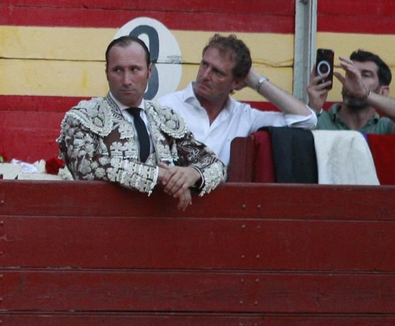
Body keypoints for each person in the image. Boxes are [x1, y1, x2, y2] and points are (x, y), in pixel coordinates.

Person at [58, 34, 227, 206]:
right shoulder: (83, 117)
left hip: (161, 226)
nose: (126, 80)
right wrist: (159, 175)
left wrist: (191, 174)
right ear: (107, 72)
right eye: (118, 70)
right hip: (102, 223)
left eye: (134, 69)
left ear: (149, 71)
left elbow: (214, 164)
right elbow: (87, 166)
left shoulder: (165, 118)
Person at [154, 34, 317, 162]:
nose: (205, 75)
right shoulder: (166, 106)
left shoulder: (244, 116)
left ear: (237, 82)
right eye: (204, 64)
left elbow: (305, 119)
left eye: (217, 72)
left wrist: (255, 81)